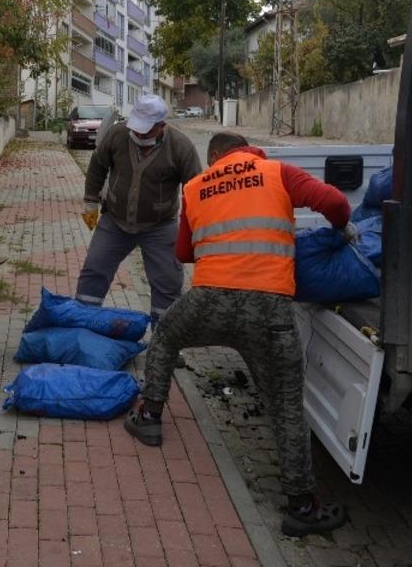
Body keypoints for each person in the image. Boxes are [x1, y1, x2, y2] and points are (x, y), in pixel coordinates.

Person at [124, 132, 355, 537]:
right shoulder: (277, 172)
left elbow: (183, 253)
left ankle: (149, 416)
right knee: (285, 405)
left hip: (209, 300)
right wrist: (341, 231)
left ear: (215, 156)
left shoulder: (196, 186)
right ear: (249, 151)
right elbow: (336, 203)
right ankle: (301, 506)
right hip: (270, 309)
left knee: (164, 336)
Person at [78, 94, 202, 323]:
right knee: (93, 271)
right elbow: (97, 165)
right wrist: (90, 201)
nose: (138, 135)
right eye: (136, 129)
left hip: (160, 226)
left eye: (146, 131)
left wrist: (194, 230)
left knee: (168, 284)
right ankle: (82, 324)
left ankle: (164, 344)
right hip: (115, 221)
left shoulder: (181, 147)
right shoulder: (118, 134)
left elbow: (196, 191)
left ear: (161, 126)